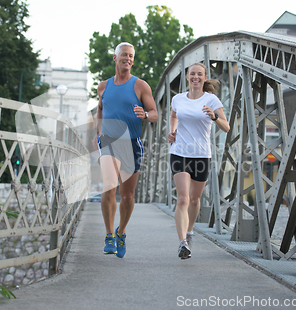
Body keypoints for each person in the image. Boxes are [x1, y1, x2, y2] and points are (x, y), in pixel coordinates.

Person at [93, 42, 157, 258]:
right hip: (109, 142)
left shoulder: (140, 86)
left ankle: (121, 232)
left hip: (132, 144)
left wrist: (146, 116)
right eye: (124, 55)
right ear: (115, 58)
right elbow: (100, 110)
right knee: (108, 188)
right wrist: (98, 132)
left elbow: (155, 114)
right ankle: (109, 235)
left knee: (127, 195)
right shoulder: (103, 86)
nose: (127, 59)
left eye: (131, 56)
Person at [167, 62, 230, 259]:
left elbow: (226, 127)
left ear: (204, 78)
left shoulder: (211, 100)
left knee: (195, 200)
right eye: (192, 74)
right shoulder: (177, 99)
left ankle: (190, 230)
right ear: (187, 77)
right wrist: (172, 131)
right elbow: (173, 115)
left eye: (199, 74)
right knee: (183, 198)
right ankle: (182, 243)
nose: (196, 77)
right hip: (179, 153)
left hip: (202, 155)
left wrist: (214, 117)